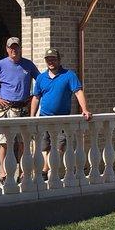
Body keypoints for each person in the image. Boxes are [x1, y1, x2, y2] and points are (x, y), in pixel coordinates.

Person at [0, 37, 40, 183]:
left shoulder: (28, 65)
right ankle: (3, 173)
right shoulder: (0, 65)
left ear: (20, 48)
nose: (14, 50)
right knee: (4, 142)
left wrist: (35, 96)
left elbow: (40, 80)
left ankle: (22, 172)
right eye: (11, 47)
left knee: (22, 142)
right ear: (7, 49)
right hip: (6, 109)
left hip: (22, 108)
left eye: (16, 47)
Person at [30, 48, 92, 180]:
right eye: (48, 59)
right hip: (44, 119)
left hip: (62, 119)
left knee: (59, 147)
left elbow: (78, 92)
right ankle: (46, 173)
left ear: (59, 60)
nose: (51, 62)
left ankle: (45, 171)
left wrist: (85, 109)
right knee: (44, 148)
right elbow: (36, 98)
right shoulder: (41, 78)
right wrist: (32, 116)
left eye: (53, 59)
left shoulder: (69, 75)